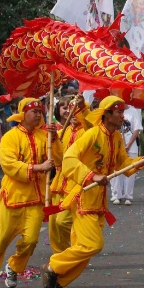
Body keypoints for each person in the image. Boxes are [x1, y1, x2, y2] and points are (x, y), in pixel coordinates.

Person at [43, 96, 144, 288]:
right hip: (84, 197)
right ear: (107, 113)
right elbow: (69, 158)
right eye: (118, 112)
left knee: (85, 248)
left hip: (99, 200)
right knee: (93, 245)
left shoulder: (116, 137)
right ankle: (53, 265)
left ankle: (56, 283)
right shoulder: (92, 134)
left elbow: (123, 164)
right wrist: (92, 176)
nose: (122, 116)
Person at [0, 98, 58, 288]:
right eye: (34, 111)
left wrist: (54, 141)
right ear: (23, 114)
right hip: (12, 199)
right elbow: (9, 165)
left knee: (30, 241)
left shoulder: (44, 136)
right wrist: (38, 167)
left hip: (35, 199)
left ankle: (14, 267)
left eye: (40, 111)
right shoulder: (10, 137)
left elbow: (57, 159)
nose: (38, 114)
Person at [50, 96, 91, 254]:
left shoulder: (89, 132)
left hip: (78, 183)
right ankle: (61, 255)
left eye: (75, 109)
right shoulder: (62, 131)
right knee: (54, 222)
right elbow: (59, 159)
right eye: (66, 108)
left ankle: (74, 251)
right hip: (60, 182)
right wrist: (53, 139)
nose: (71, 112)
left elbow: (91, 124)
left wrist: (83, 108)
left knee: (63, 221)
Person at [110, 104, 142, 206]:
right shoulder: (115, 111)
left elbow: (137, 129)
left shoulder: (133, 111)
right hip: (118, 145)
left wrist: (128, 145)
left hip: (131, 145)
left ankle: (128, 195)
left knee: (130, 169)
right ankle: (117, 194)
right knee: (117, 170)